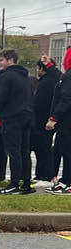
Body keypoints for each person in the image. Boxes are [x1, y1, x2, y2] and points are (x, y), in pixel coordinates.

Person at [0, 48, 34, 194]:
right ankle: (26, 183)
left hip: (11, 117)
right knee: (24, 151)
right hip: (26, 116)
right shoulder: (25, 77)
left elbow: (0, 98)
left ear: (10, 60)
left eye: (1, 60)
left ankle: (14, 183)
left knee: (13, 151)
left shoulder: (6, 77)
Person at [33, 57, 61, 184]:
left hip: (41, 120)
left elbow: (39, 103)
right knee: (47, 147)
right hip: (52, 118)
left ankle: (44, 174)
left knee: (42, 148)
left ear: (40, 68)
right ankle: (46, 174)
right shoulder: (56, 80)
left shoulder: (45, 83)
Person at [47, 57, 71, 194]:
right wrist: (49, 65)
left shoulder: (68, 77)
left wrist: (54, 117)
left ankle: (68, 181)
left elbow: (66, 98)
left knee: (67, 152)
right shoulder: (66, 76)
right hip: (65, 121)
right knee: (63, 150)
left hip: (66, 121)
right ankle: (65, 180)